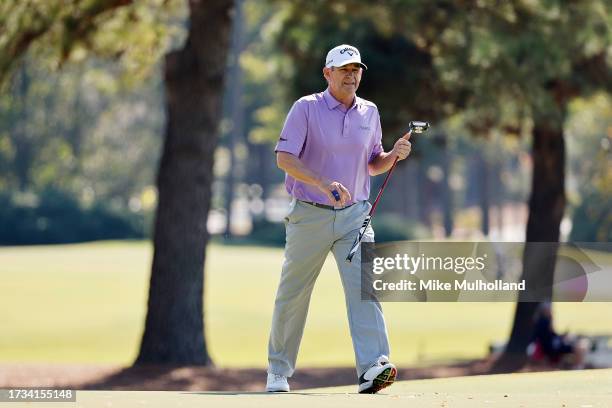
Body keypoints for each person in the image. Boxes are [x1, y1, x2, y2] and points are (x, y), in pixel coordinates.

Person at [266, 44, 412, 394]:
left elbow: (373, 162)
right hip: (309, 216)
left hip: (355, 217)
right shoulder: (306, 108)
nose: (351, 75)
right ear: (327, 73)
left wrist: (394, 155)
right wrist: (322, 182)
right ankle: (278, 371)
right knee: (294, 294)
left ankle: (372, 368)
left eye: (356, 69)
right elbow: (284, 158)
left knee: (365, 289)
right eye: (344, 69)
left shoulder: (370, 112)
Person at [531, 302, 589, 369]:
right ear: (545, 311)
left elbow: (552, 336)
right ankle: (577, 367)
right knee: (580, 348)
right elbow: (549, 340)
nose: (552, 312)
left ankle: (577, 367)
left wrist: (562, 336)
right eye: (550, 309)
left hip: (552, 347)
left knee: (578, 347)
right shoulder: (544, 321)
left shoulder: (541, 321)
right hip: (551, 349)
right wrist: (562, 338)